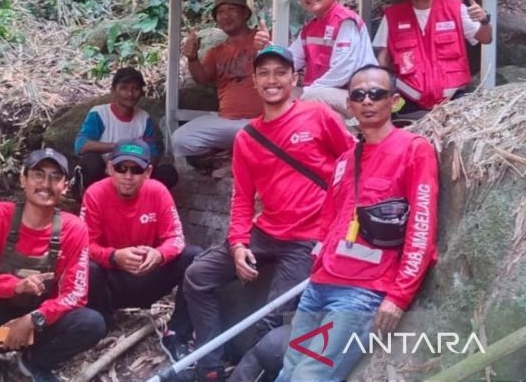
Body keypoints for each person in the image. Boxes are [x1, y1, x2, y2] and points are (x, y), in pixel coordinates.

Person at [183, 45, 355, 382]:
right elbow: (243, 199)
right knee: (197, 276)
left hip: (309, 238)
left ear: (294, 78)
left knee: (272, 317)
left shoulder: (318, 116)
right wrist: (237, 244)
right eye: (264, 73)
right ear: (254, 81)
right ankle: (210, 367)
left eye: (280, 72)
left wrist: (340, 224)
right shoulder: (247, 138)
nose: (272, 80)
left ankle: (245, 376)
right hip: (267, 232)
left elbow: (354, 165)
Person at [275, 64, 439, 381]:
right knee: (289, 370)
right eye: (358, 95)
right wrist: (317, 265)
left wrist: (398, 297)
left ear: (393, 101)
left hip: (362, 292)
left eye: (376, 94)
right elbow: (330, 219)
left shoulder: (414, 150)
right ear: (348, 104)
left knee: (310, 376)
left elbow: (422, 229)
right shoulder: (346, 159)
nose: (367, 101)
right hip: (320, 286)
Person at [0, 148, 106, 382]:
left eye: (55, 177)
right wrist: (15, 286)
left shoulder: (73, 228)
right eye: (38, 175)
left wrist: (33, 319)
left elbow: (75, 294)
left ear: (65, 186)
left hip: (39, 323)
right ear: (23, 179)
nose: (45, 184)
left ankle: (34, 363)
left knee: (92, 323)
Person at [83, 139, 202, 362]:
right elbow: (84, 246)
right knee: (88, 267)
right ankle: (102, 322)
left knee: (194, 256)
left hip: (149, 274)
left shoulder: (158, 192)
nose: (128, 176)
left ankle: (177, 333)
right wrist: (114, 256)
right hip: (112, 280)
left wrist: (159, 254)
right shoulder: (94, 194)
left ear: (148, 172)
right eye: (121, 168)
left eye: (136, 170)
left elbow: (176, 238)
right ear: (109, 168)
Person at [255, 0, 376, 117]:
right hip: (330, 93)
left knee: (310, 98)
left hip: (362, 96)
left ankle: (350, 136)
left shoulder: (345, 21)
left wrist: (310, 90)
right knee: (277, 92)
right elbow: (289, 60)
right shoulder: (310, 27)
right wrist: (267, 48)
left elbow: (342, 71)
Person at [373, 0, 493, 114]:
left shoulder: (455, 9)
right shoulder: (392, 15)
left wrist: (484, 20)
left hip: (455, 100)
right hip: (407, 101)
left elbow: (486, 39)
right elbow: (382, 58)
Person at [171, 0, 263, 158]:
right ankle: (223, 154)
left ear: (244, 13)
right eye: (220, 12)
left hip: (260, 120)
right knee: (180, 139)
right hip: (226, 121)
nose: (226, 16)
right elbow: (201, 78)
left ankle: (235, 150)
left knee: (260, 136)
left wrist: (267, 44)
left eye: (231, 9)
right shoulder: (216, 52)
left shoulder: (261, 38)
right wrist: (192, 58)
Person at [73, 67, 178, 193]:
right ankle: (92, 199)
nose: (130, 94)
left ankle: (140, 203)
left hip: (133, 174)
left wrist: (137, 171)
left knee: (168, 173)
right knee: (91, 161)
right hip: (104, 173)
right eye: (124, 88)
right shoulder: (100, 114)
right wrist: (119, 147)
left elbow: (153, 153)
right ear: (113, 90)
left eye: (135, 88)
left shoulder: (144, 118)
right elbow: (81, 145)